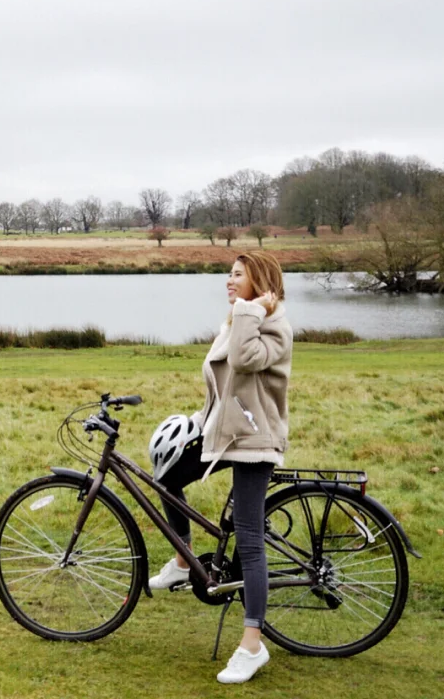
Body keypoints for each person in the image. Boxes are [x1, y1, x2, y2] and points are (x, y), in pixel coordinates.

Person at [146, 250, 292, 684]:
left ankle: (253, 644)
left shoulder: (274, 324)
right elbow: (227, 385)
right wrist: (199, 420)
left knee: (249, 539)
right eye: (228, 275)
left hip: (255, 442)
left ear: (260, 283)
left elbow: (246, 360)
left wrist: (250, 309)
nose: (229, 282)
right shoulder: (239, 317)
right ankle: (183, 560)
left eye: (238, 276)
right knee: (167, 475)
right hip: (228, 435)